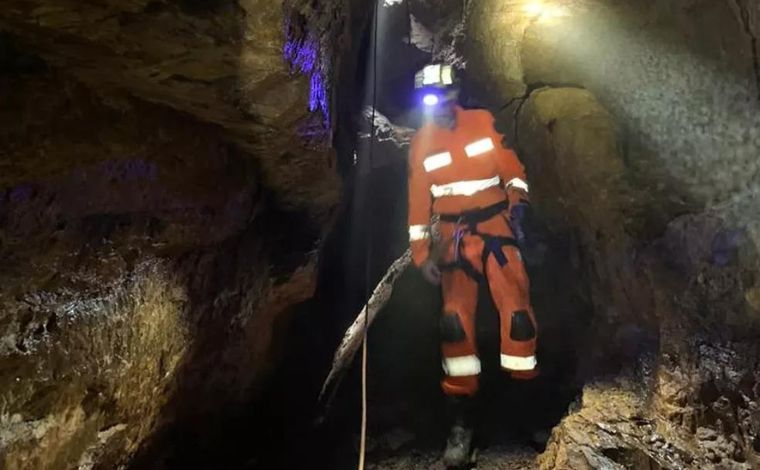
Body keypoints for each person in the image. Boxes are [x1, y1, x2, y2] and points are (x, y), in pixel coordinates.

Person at [407, 63, 539, 467]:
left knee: (518, 318)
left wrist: (519, 208)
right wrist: (421, 255)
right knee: (454, 325)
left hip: (496, 228)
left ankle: (524, 410)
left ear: (456, 93)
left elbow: (513, 172)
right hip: (455, 239)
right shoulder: (421, 144)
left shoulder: (483, 122)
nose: (440, 104)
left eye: (445, 95)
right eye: (431, 98)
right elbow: (417, 206)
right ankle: (460, 424)